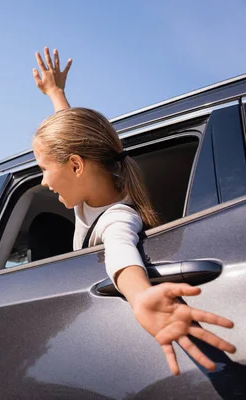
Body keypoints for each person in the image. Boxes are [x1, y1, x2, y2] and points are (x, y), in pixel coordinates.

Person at [31, 47, 236, 375]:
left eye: (43, 168)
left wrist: (140, 297)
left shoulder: (117, 217)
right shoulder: (87, 195)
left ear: (75, 166)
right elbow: (75, 138)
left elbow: (121, 253)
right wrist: (56, 93)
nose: (43, 181)